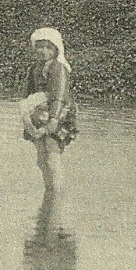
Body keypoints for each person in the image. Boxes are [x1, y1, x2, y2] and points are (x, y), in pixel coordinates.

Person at [20, 27, 78, 193]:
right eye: (40, 47)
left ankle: (56, 193)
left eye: (48, 47)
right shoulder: (34, 68)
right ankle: (49, 193)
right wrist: (26, 116)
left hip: (57, 114)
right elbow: (28, 93)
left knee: (52, 155)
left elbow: (59, 96)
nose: (43, 51)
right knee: (41, 157)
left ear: (56, 49)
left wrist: (54, 118)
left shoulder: (59, 68)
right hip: (38, 113)